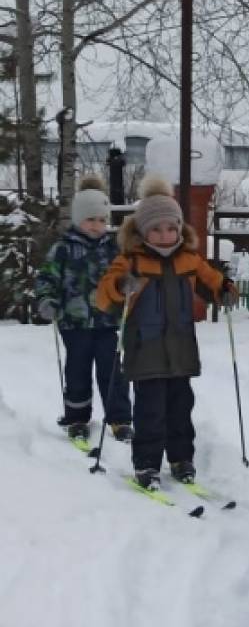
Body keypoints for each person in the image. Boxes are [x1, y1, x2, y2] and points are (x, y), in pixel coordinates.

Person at [95, 175, 235, 490]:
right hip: (145, 350)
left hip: (181, 349)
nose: (164, 235)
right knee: (150, 412)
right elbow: (104, 295)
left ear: (179, 229)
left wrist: (224, 288)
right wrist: (120, 286)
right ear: (143, 231)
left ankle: (181, 459)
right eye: (156, 229)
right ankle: (146, 465)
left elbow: (210, 279)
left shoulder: (189, 259)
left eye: (170, 228)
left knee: (181, 409)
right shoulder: (130, 261)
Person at [36, 174, 133, 441]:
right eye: (91, 219)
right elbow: (46, 278)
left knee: (112, 371)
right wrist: (47, 299)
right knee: (77, 370)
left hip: (107, 323)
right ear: (79, 219)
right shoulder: (63, 249)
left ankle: (120, 418)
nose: (96, 225)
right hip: (74, 323)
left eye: (102, 220)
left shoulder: (112, 250)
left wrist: (127, 285)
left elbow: (123, 276)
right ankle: (77, 417)